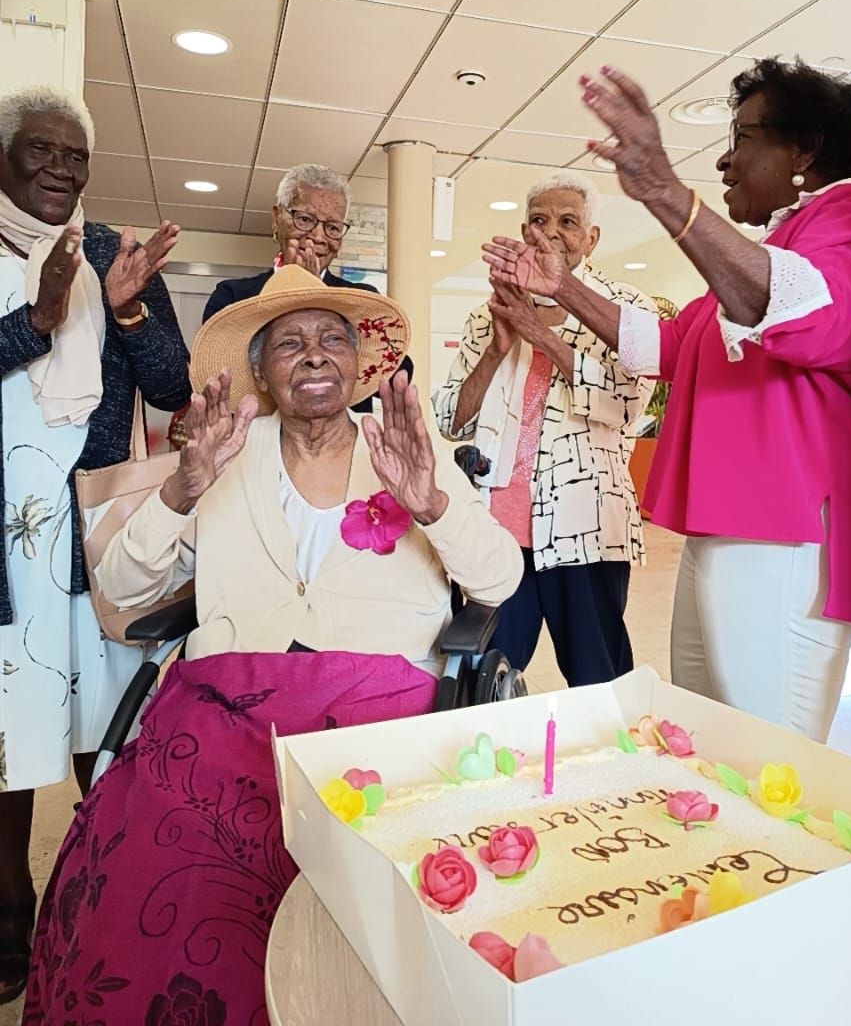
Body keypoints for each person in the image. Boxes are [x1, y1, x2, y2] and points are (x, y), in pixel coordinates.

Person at [23, 268, 521, 1025]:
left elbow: (499, 582)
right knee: (156, 864)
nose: (313, 355)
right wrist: (180, 489)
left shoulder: (412, 449)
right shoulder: (222, 450)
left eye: (331, 340)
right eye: (289, 343)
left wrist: (432, 504)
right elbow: (120, 597)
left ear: (359, 365)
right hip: (223, 709)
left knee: (359, 873)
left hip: (378, 710)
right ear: (259, 371)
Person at [483, 59, 851, 743]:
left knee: (766, 750)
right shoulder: (770, 246)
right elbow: (663, 347)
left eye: (745, 138)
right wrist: (563, 288)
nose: (726, 160)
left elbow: (805, 313)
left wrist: (664, 191)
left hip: (784, 526)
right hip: (730, 524)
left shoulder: (850, 214)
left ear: (804, 149)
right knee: (708, 733)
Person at [0, 85, 191, 1003]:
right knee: (9, 738)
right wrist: (32, 324)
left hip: (93, 537)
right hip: (7, 546)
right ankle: (8, 916)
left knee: (104, 736)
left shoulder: (114, 251)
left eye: (76, 156)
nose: (62, 170)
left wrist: (123, 311)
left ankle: (107, 894)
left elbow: (173, 386)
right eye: (43, 150)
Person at [433, 172, 655, 689]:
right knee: (484, 673)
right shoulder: (488, 314)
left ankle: (615, 766)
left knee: (598, 672)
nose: (550, 232)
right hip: (498, 528)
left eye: (568, 222)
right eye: (539, 220)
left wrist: (539, 334)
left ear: (592, 238)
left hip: (586, 528)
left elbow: (624, 403)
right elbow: (450, 418)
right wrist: (500, 346)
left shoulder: (624, 308)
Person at [202, 162, 412, 412]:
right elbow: (217, 375)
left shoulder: (360, 299)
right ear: (276, 219)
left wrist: (316, 291)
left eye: (333, 227)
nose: (319, 237)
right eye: (304, 219)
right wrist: (294, 287)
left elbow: (399, 376)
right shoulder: (233, 296)